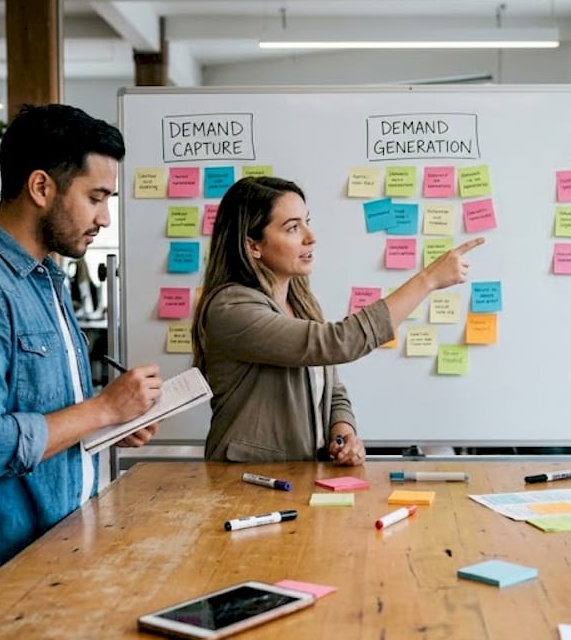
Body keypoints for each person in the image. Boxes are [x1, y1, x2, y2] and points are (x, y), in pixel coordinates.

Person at [0, 104, 162, 615]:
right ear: (42, 188)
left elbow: (39, 412)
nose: (104, 218)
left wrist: (106, 421)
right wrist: (103, 409)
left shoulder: (45, 280)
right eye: (95, 197)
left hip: (54, 549)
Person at [193, 176, 483, 464]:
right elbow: (337, 343)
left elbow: (331, 385)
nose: (311, 236)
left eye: (307, 221)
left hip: (300, 475)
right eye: (293, 227)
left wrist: (341, 431)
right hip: (244, 484)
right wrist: (428, 279)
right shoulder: (231, 308)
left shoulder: (299, 302)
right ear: (253, 245)